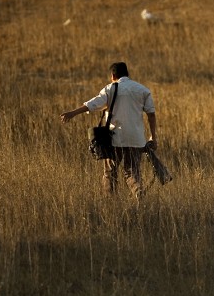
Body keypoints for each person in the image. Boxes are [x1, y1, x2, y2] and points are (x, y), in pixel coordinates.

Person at [60, 62, 157, 198]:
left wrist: (72, 113)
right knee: (133, 173)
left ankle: (110, 203)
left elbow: (93, 103)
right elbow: (151, 114)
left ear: (113, 75)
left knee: (110, 173)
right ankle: (138, 193)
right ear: (127, 74)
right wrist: (153, 137)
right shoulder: (143, 90)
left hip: (115, 139)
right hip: (136, 139)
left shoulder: (110, 89)